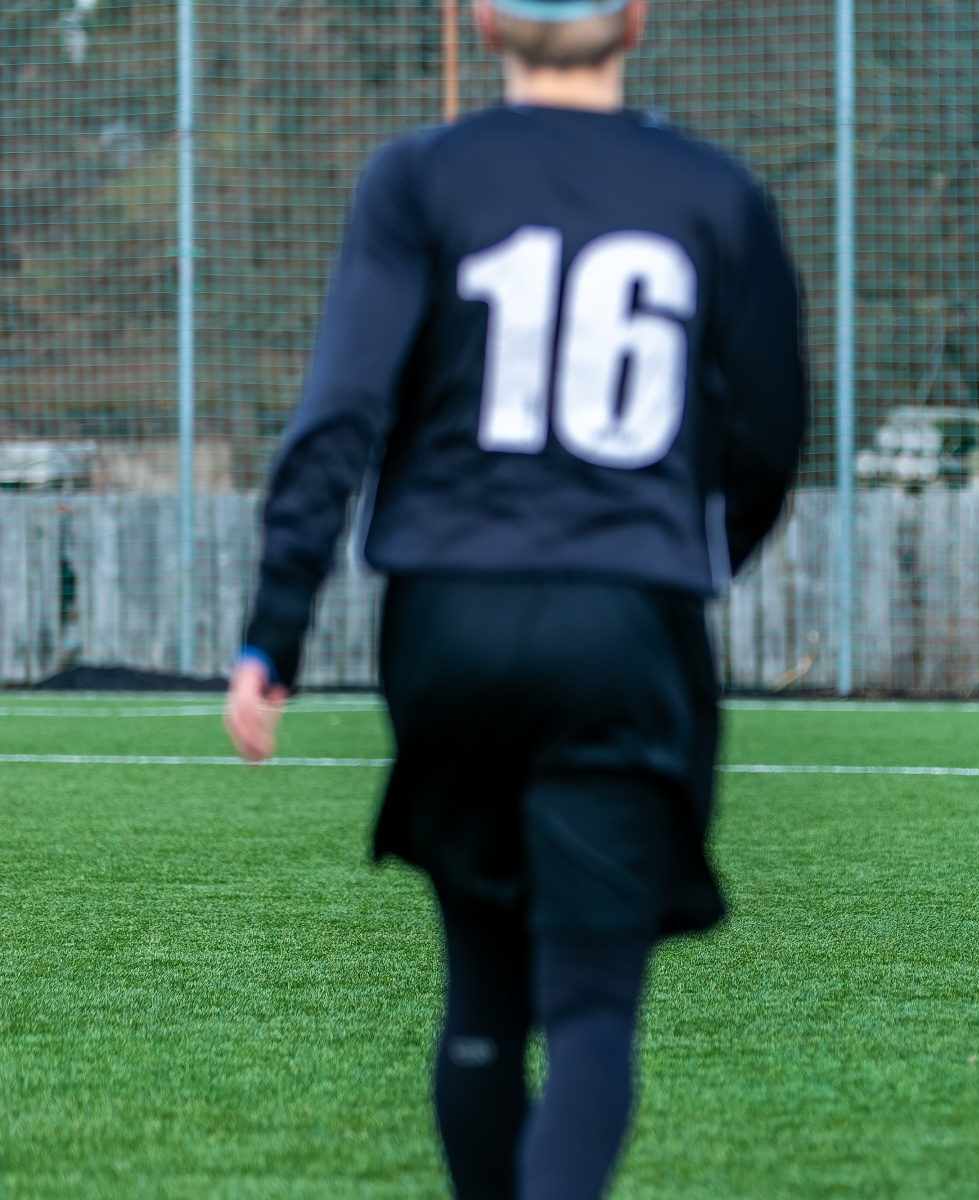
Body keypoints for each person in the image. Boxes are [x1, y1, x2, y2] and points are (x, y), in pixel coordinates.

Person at [222, 0, 808, 1193]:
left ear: (484, 21)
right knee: (590, 1008)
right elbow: (770, 434)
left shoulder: (419, 178)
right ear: (634, 19)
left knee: (482, 995)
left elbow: (341, 412)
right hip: (625, 621)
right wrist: (687, 563)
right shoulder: (715, 192)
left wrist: (276, 626)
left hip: (450, 619)